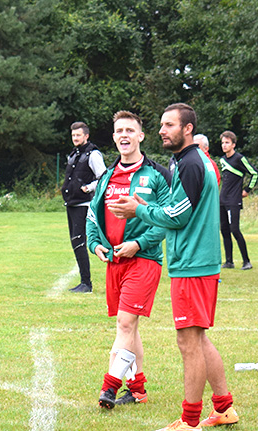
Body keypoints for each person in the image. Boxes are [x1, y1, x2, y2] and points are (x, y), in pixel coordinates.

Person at [109, 103, 237, 431]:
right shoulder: (188, 161)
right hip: (196, 261)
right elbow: (177, 209)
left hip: (193, 264)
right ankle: (224, 408)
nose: (163, 130)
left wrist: (140, 209)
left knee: (188, 341)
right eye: (162, 124)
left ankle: (190, 421)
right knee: (198, 337)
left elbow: (178, 215)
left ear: (188, 129)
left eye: (169, 125)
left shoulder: (192, 163)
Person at [86, 111, 171, 409]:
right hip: (114, 262)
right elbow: (92, 215)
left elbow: (165, 219)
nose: (124, 135)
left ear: (140, 136)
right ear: (113, 137)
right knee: (130, 327)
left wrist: (138, 243)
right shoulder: (107, 175)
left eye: (130, 130)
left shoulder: (157, 175)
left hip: (144, 260)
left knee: (124, 323)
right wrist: (94, 242)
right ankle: (138, 390)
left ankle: (109, 387)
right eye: (119, 130)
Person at [61, 121, 106, 293]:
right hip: (72, 203)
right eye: (73, 135)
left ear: (86, 136)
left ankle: (86, 283)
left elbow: (103, 177)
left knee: (79, 241)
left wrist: (89, 188)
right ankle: (84, 281)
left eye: (78, 135)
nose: (75, 138)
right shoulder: (73, 155)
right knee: (75, 241)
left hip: (84, 204)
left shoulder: (93, 155)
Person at [218, 131, 258, 270]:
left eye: (227, 142)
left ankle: (246, 261)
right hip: (222, 200)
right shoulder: (222, 160)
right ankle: (229, 261)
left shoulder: (239, 159)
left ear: (233, 144)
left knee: (234, 229)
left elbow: (255, 173)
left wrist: (247, 189)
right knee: (224, 230)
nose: (224, 145)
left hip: (234, 200)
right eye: (223, 143)